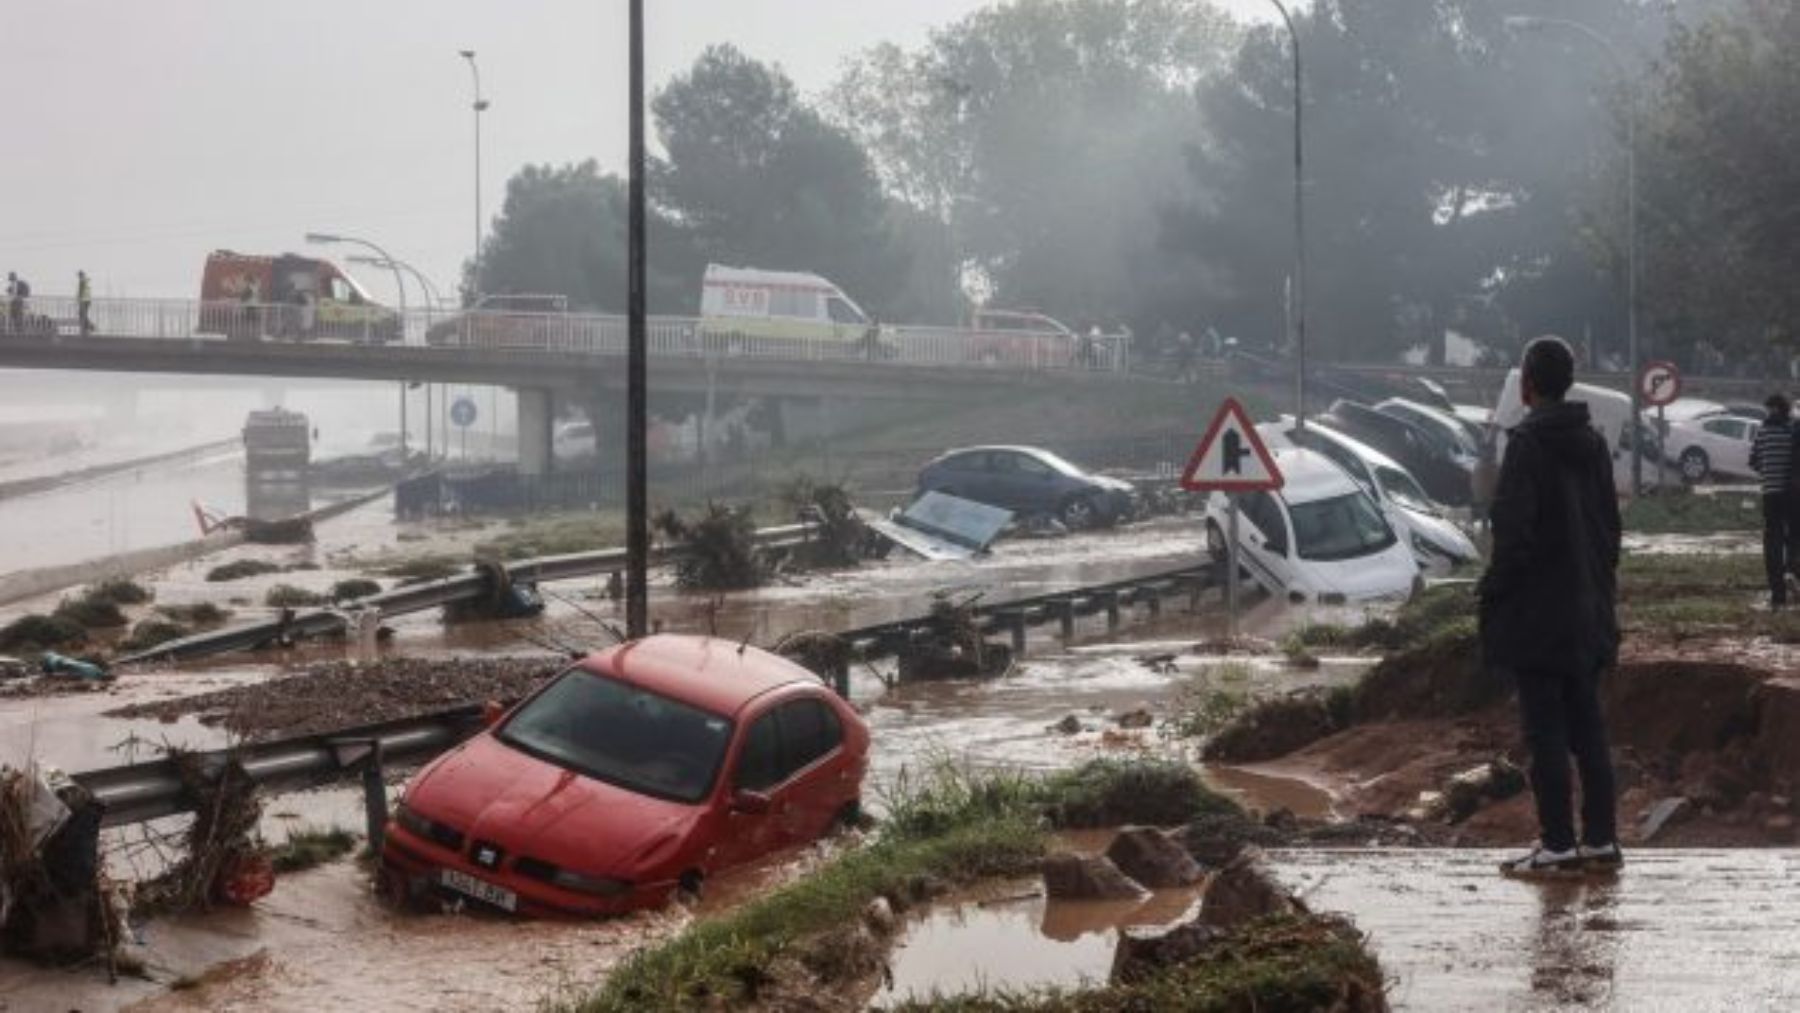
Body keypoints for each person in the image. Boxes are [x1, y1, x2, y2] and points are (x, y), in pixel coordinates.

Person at [1479, 335, 1622, 878]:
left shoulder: (1528, 444)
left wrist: (1493, 594)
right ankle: (1602, 841)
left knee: (1546, 733)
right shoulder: (1593, 443)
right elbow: (1611, 529)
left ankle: (1558, 844)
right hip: (1589, 610)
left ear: (1527, 384)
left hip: (1539, 615)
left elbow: (1513, 535)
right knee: (1588, 729)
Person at [1749, 393, 1796, 607]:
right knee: (1793, 539)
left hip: (1770, 493)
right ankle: (1791, 573)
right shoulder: (1792, 431)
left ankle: (1778, 594)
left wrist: (1767, 471)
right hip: (1791, 494)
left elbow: (1753, 460)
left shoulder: (1763, 431)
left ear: (1771, 409)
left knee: (1772, 543)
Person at [76, 270, 93, 335]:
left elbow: (81, 291)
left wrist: (78, 299)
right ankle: (87, 327)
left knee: (82, 314)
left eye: (79, 275)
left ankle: (88, 327)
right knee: (83, 314)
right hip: (87, 300)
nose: (78, 277)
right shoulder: (86, 281)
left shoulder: (82, 281)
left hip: (83, 300)